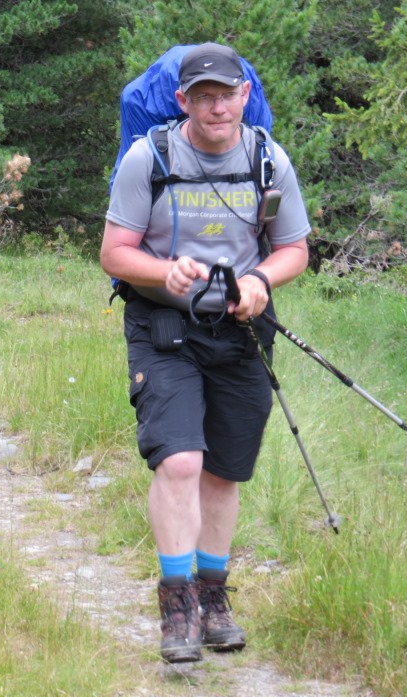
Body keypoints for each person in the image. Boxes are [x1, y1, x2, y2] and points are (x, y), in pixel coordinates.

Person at [99, 42, 311, 663]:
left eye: (228, 95)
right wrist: (162, 272)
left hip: (242, 330)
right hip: (165, 328)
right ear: (182, 100)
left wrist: (260, 280)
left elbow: (293, 249)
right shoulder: (149, 157)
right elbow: (114, 253)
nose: (218, 108)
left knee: (223, 470)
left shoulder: (268, 161)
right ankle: (177, 604)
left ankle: (214, 597)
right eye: (204, 97)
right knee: (181, 461)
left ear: (245, 96)